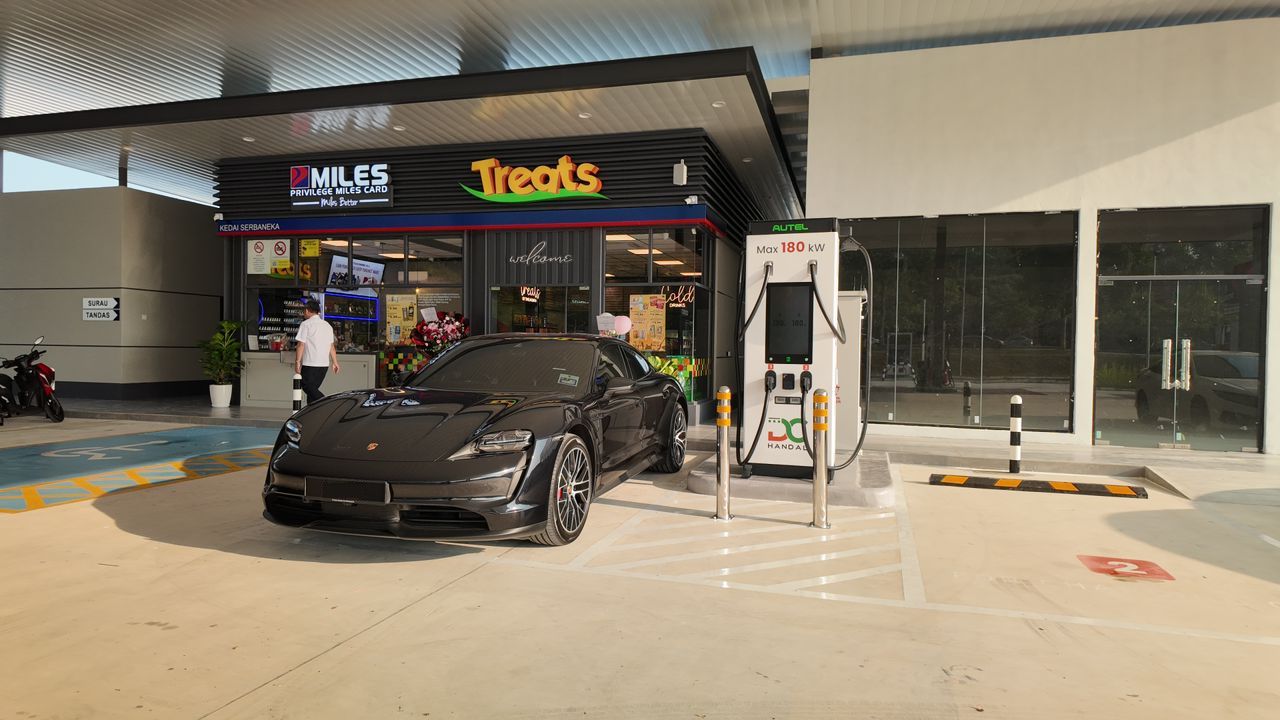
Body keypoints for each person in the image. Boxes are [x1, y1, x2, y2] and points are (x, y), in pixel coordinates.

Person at [294, 299, 340, 404]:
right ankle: (313, 412)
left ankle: (328, 403)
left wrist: (297, 362)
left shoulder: (306, 324)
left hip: (310, 363)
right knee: (312, 393)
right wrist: (335, 362)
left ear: (307, 310)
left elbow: (301, 345)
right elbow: (331, 346)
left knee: (306, 385)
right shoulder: (327, 325)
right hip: (324, 365)